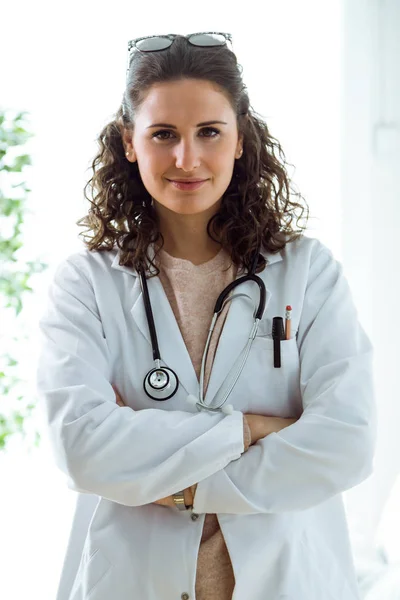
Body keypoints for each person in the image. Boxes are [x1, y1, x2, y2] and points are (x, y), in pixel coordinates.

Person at [35, 32, 377, 600]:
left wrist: (176, 484)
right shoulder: (86, 285)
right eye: (163, 134)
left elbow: (346, 443)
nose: (186, 159)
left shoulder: (308, 273)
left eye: (209, 132)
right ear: (129, 142)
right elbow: (81, 446)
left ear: (240, 139)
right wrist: (250, 429)